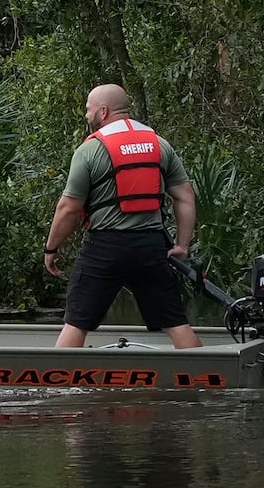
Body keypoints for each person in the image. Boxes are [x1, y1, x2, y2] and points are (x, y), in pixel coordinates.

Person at [43, 83, 201, 349]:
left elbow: (68, 208)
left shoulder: (90, 151)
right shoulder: (159, 145)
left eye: (88, 109)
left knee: (76, 322)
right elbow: (185, 196)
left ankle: (57, 383)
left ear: (103, 112)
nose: (86, 115)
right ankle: (207, 378)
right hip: (151, 247)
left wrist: (51, 247)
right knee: (175, 322)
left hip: (105, 247)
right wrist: (182, 245)